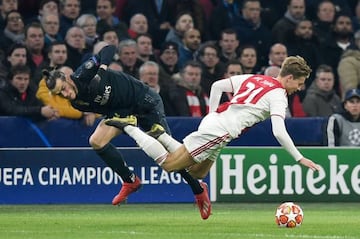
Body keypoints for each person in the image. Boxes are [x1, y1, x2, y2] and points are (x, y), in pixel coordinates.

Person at [42, 44, 211, 220]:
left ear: (68, 79)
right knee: (96, 141)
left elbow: (109, 48)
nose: (66, 94)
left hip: (145, 102)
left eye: (64, 88)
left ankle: (199, 190)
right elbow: (107, 109)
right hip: (122, 112)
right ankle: (130, 180)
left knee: (171, 158)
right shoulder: (77, 103)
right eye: (60, 94)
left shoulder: (85, 72)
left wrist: (102, 69)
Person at [104, 56, 320, 192]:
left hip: (218, 124)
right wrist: (299, 157)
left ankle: (160, 134)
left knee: (198, 173)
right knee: (170, 165)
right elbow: (279, 131)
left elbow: (217, 86)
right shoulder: (279, 95)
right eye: (299, 83)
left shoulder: (255, 78)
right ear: (289, 78)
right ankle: (129, 125)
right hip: (221, 130)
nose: (299, 88)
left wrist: (212, 113)